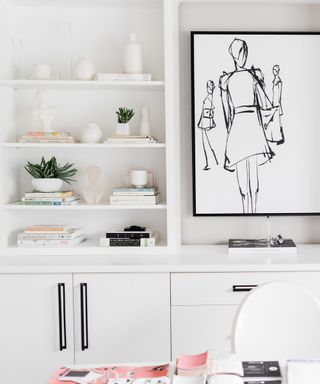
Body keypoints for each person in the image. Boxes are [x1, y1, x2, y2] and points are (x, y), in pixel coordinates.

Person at [219, 38, 275, 213]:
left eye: (244, 52)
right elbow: (265, 103)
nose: (243, 56)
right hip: (246, 124)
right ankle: (248, 211)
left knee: (250, 173)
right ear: (236, 55)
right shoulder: (235, 78)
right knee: (245, 174)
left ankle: (251, 210)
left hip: (246, 124)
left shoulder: (230, 79)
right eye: (241, 52)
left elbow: (227, 111)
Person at [197, 80, 219, 170]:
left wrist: (210, 124)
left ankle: (211, 163)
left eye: (210, 87)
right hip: (204, 124)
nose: (209, 88)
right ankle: (210, 162)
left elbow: (209, 113)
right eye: (208, 87)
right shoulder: (209, 97)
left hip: (206, 124)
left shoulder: (210, 98)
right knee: (206, 144)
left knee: (208, 144)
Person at [265, 64, 285, 144]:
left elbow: (279, 95)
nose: (275, 72)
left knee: (277, 121)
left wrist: (278, 103)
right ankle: (274, 137)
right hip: (274, 103)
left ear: (278, 71)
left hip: (277, 103)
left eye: (276, 70)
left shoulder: (279, 81)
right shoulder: (274, 81)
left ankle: (279, 138)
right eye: (274, 70)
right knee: (274, 121)